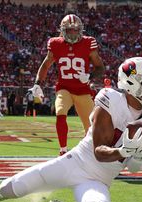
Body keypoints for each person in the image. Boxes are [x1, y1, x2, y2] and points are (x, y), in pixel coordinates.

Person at [0, 57, 142, 202]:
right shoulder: (111, 99)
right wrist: (124, 151)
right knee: (11, 189)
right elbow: (99, 152)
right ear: (131, 81)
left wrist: (138, 158)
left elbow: (134, 168)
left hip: (99, 180)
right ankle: (1, 191)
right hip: (74, 163)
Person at [29, 14, 104, 155]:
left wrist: (90, 76)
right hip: (64, 88)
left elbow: (100, 67)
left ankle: (88, 152)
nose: (73, 33)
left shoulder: (89, 42)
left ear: (81, 30)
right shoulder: (55, 43)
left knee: (91, 127)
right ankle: (63, 150)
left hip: (83, 90)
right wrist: (38, 83)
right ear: (63, 30)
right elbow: (45, 65)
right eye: (69, 30)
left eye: (76, 30)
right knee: (60, 112)